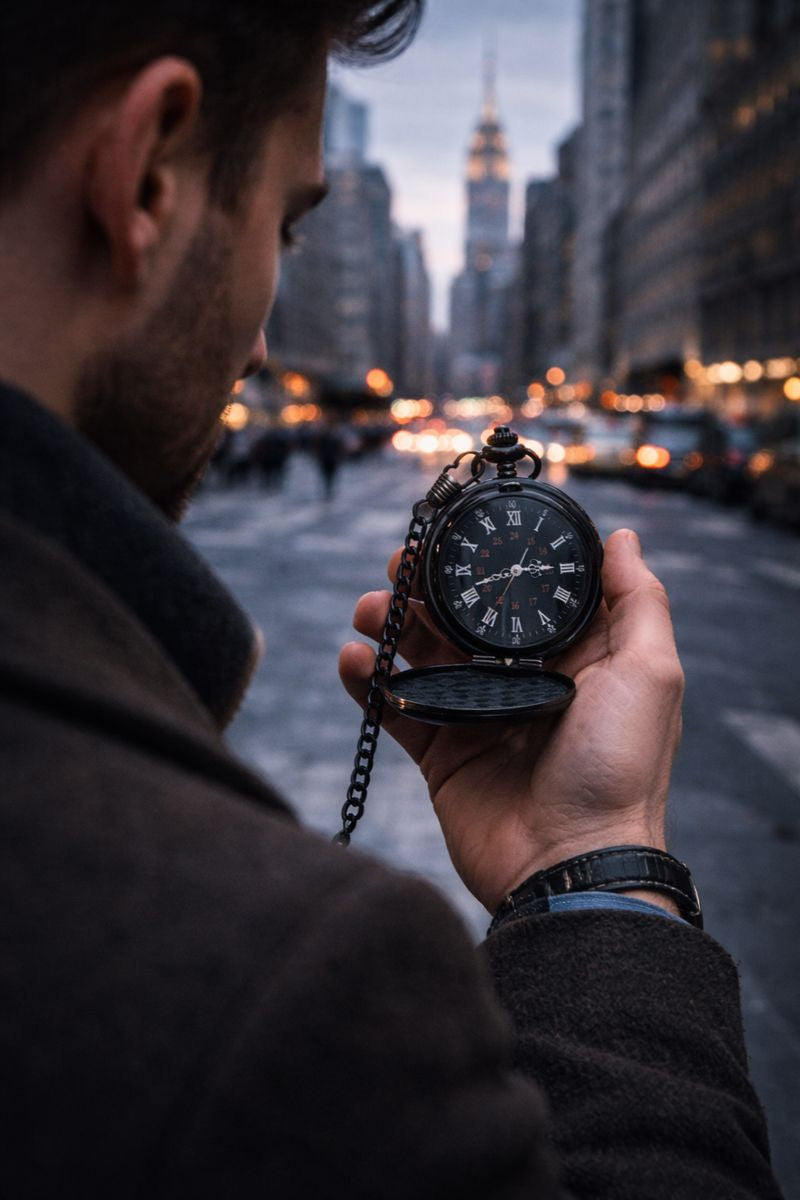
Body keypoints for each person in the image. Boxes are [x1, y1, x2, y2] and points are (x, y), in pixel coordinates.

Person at [0, 1, 783, 1196]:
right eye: (284, 223)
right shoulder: (287, 983)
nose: (261, 342)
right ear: (146, 175)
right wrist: (598, 867)